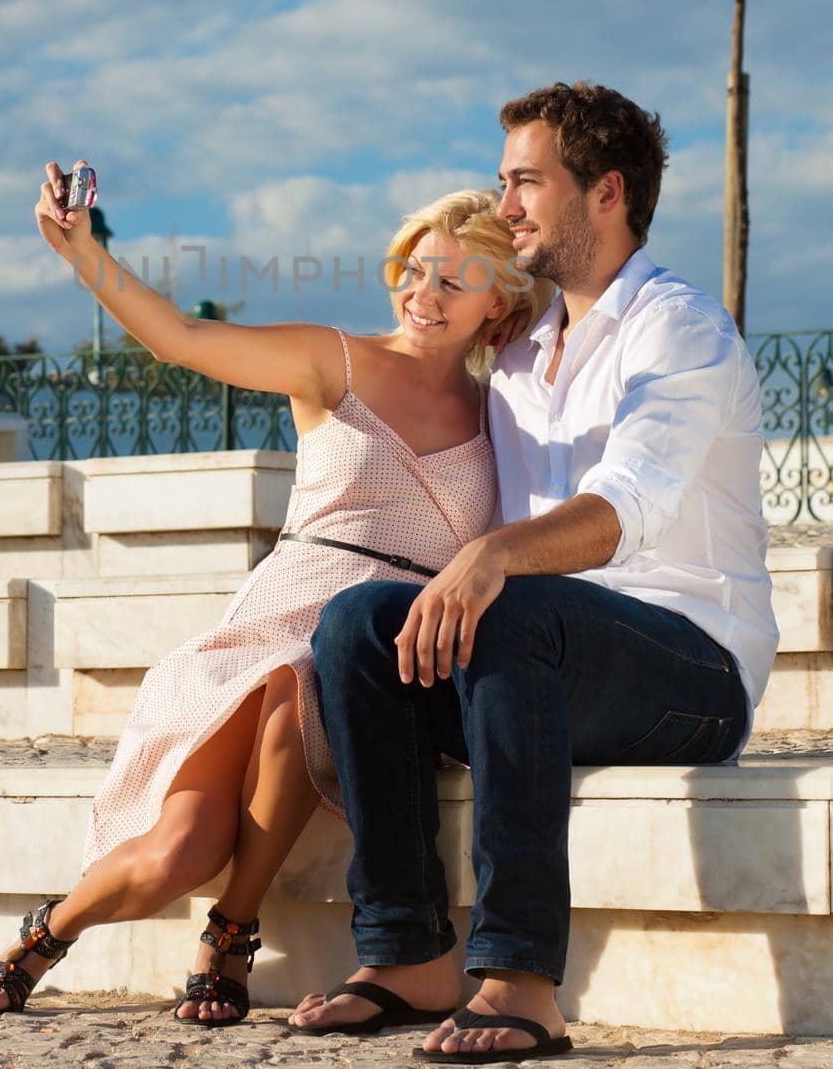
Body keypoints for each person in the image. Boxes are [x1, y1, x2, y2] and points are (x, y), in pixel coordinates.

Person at [0, 170, 548, 1023]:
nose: (425, 294)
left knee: (305, 676)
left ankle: (232, 926)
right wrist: (87, 255)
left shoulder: (503, 411)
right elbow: (182, 340)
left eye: (455, 282)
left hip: (377, 652)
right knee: (174, 852)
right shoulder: (333, 359)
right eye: (415, 270)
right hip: (278, 612)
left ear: (497, 307)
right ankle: (50, 930)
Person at [288, 81, 779, 1064]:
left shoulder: (674, 328)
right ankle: (406, 955)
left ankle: (519, 977)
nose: (502, 202)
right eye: (501, 179)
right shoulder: (517, 353)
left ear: (603, 192)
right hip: (541, 658)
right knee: (354, 628)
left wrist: (491, 558)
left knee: (513, 609)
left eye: (524, 181)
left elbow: (622, 510)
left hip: (689, 667)